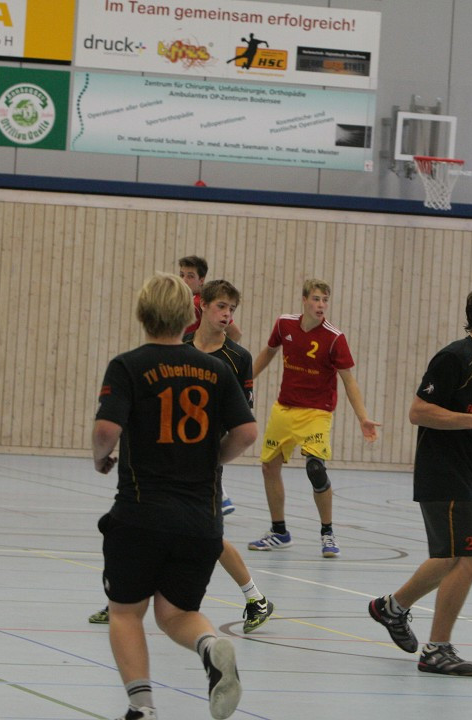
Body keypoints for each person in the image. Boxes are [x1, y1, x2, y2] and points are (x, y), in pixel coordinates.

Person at [94, 272, 257, 720]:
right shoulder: (217, 369)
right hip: (201, 520)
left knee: (127, 612)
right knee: (176, 612)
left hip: (141, 514)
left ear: (143, 313)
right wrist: (215, 458)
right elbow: (246, 432)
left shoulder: (128, 366)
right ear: (191, 313)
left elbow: (107, 429)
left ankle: (142, 708)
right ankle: (210, 644)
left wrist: (100, 457)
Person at [368, 282, 472, 676]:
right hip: (443, 473)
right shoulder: (454, 358)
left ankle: (392, 607)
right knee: (470, 557)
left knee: (449, 558)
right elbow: (418, 411)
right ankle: (436, 649)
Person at [248, 279, 380, 557]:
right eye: (317, 299)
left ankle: (327, 533)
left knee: (315, 469)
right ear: (305, 300)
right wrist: (245, 382)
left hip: (317, 412)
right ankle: (279, 531)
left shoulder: (334, 338)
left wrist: (363, 417)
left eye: (325, 300)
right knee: (269, 467)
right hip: (284, 408)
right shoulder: (284, 325)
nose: (321, 305)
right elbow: (268, 353)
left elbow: (349, 381)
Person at [178, 255, 241, 516]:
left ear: (201, 281)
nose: (184, 280)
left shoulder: (198, 304)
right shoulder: (182, 301)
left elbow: (235, 334)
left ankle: (217, 493)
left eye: (189, 276)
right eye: (181, 274)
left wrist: (222, 356)